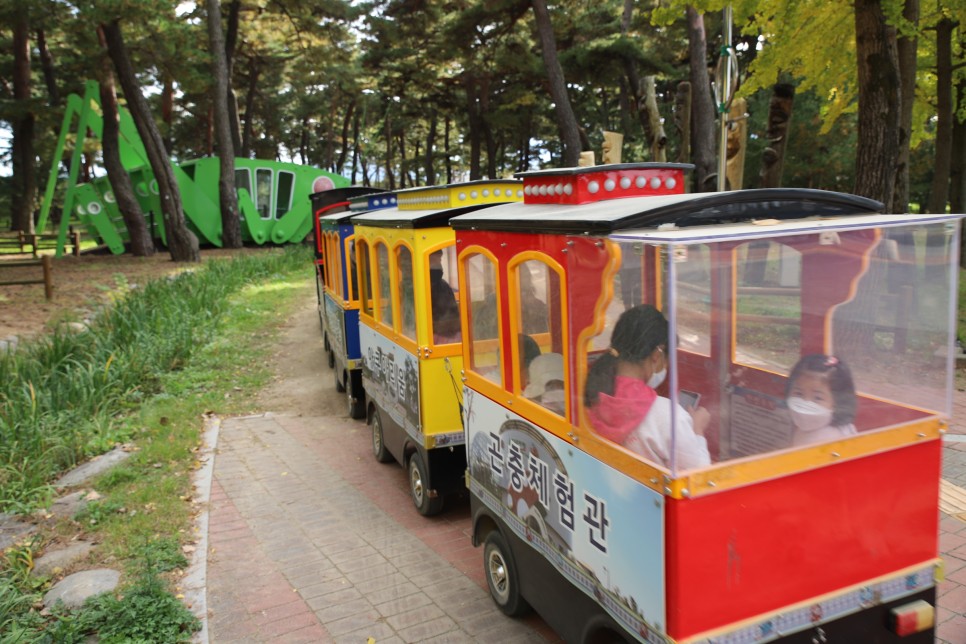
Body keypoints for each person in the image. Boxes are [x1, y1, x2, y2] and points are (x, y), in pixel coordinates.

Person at [584, 304, 710, 470]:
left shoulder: (591, 393)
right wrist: (697, 430)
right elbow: (698, 476)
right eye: (667, 360)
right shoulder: (669, 416)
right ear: (657, 355)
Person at [785, 354, 857, 447]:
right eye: (799, 393)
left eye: (817, 398)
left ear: (838, 402)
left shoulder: (831, 439)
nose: (805, 402)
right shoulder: (802, 428)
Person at [429, 250, 461, 343]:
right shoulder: (415, 288)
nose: (438, 265)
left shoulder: (443, 286)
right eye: (433, 260)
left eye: (439, 259)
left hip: (447, 337)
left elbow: (454, 318)